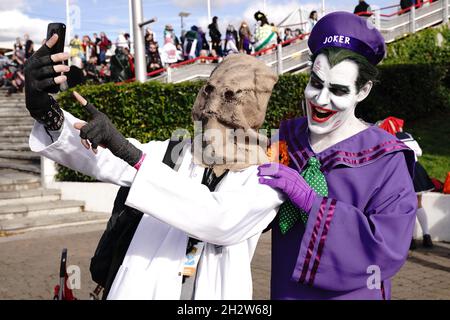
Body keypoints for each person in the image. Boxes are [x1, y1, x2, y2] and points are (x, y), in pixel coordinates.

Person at [24, 33, 282, 299]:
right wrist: (48, 113)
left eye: (229, 96)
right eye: (209, 91)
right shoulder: (174, 154)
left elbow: (219, 220)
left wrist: (131, 155)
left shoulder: (266, 179)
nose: (213, 107)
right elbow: (104, 158)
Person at [257, 12, 417, 299]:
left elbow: (388, 248)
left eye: (338, 90)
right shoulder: (285, 138)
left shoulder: (388, 159)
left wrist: (312, 203)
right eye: (316, 83)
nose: (320, 100)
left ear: (363, 91)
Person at [378, 116, 434, 249]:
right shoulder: (407, 135)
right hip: (416, 169)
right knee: (418, 204)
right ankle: (427, 236)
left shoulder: (386, 138)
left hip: (402, 172)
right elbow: (419, 152)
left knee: (407, 206)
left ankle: (411, 239)